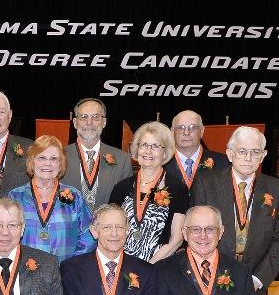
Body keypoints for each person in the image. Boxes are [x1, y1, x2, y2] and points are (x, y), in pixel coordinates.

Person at [191, 126, 279, 295]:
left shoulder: (278, 189)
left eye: (255, 152)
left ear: (264, 155)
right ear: (230, 154)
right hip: (210, 278)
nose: (248, 157)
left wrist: (259, 279)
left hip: (254, 283)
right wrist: (207, 273)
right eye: (242, 151)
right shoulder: (206, 183)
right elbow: (196, 233)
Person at [109, 121, 188, 263]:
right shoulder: (121, 187)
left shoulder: (177, 188)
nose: (148, 151)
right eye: (144, 145)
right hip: (121, 264)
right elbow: (109, 231)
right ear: (136, 149)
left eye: (156, 146)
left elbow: (176, 239)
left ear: (165, 152)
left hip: (159, 267)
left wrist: (148, 268)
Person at [8, 135, 95, 262]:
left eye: (54, 159)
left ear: (61, 165)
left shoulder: (75, 197)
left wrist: (71, 266)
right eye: (41, 157)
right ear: (32, 162)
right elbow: (5, 236)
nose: (47, 163)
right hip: (26, 273)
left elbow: (90, 235)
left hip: (65, 274)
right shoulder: (15, 197)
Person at [62, 97, 133, 212]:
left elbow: (126, 205)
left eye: (95, 117)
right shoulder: (59, 156)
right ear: (75, 123)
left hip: (107, 228)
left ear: (104, 122)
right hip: (68, 227)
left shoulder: (122, 159)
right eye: (84, 117)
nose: (89, 123)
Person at [163, 110, 229, 190]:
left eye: (192, 127)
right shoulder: (162, 162)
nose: (186, 132)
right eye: (181, 128)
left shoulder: (223, 163)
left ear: (202, 131)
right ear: (172, 132)